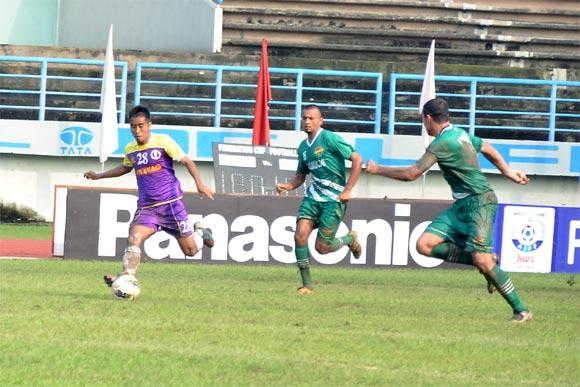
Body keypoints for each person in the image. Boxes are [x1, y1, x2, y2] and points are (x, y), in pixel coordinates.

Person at [366, 97, 532, 323]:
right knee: (424, 244)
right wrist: (507, 171)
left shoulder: (441, 143)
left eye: (423, 121)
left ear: (428, 118)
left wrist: (377, 169)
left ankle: (521, 310)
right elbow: (487, 147)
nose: (424, 126)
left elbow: (412, 174)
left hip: (480, 203)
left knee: (483, 261)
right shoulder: (461, 133)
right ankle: (485, 261)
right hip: (462, 205)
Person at [84, 105, 214, 297]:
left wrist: (200, 184)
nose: (137, 131)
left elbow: (187, 161)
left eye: (141, 126)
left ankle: (201, 232)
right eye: (133, 127)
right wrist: (99, 176)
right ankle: (127, 278)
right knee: (134, 238)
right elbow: (125, 168)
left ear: (149, 125)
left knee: (190, 251)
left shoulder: (163, 141)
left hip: (171, 205)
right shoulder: (130, 149)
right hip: (148, 208)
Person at [276, 104, 363, 295]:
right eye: (305, 118)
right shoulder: (303, 147)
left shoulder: (330, 138)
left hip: (334, 200)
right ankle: (307, 285)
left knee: (322, 248)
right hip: (313, 197)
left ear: (320, 120)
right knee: (299, 236)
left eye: (312, 118)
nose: (307, 121)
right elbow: (301, 175)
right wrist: (288, 186)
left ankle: (349, 239)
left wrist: (348, 189)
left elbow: (357, 159)